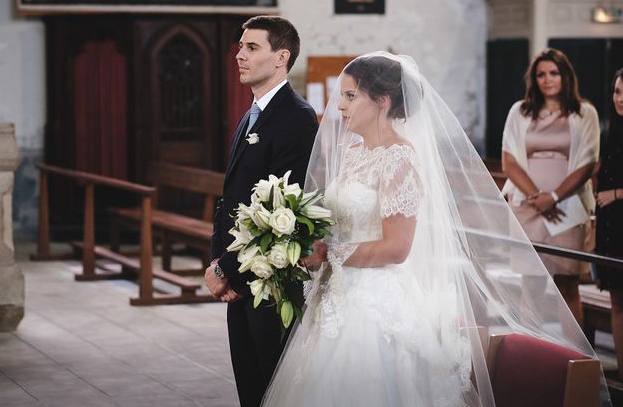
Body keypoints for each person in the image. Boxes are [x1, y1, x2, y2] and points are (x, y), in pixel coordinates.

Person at [261, 52, 610, 406]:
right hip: (335, 289)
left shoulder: (400, 157)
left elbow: (397, 247)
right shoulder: (353, 150)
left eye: (351, 96)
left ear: (382, 101)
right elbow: (342, 220)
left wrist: (330, 253)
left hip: (372, 295)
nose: (340, 106)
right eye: (342, 96)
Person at [205, 16, 319, 407]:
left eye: (252, 48)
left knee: (272, 384)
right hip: (241, 273)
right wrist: (216, 259)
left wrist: (228, 273)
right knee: (249, 384)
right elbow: (230, 199)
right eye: (240, 47)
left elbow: (282, 213)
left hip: (270, 281)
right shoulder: (251, 114)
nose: (240, 55)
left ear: (280, 57)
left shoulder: (297, 117)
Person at [501, 48, 599, 327]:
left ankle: (575, 358)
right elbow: (509, 161)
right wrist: (537, 198)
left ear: (565, 76)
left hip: (567, 207)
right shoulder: (519, 112)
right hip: (528, 206)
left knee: (568, 284)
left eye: (553, 73)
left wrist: (554, 197)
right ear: (534, 79)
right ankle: (531, 351)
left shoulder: (584, 113)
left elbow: (588, 163)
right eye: (541, 74)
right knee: (530, 284)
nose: (547, 80)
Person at [595, 67, 623, 380]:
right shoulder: (610, 133)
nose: (621, 98)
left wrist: (615, 193)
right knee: (617, 301)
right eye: (617, 91)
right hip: (612, 226)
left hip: (619, 211)